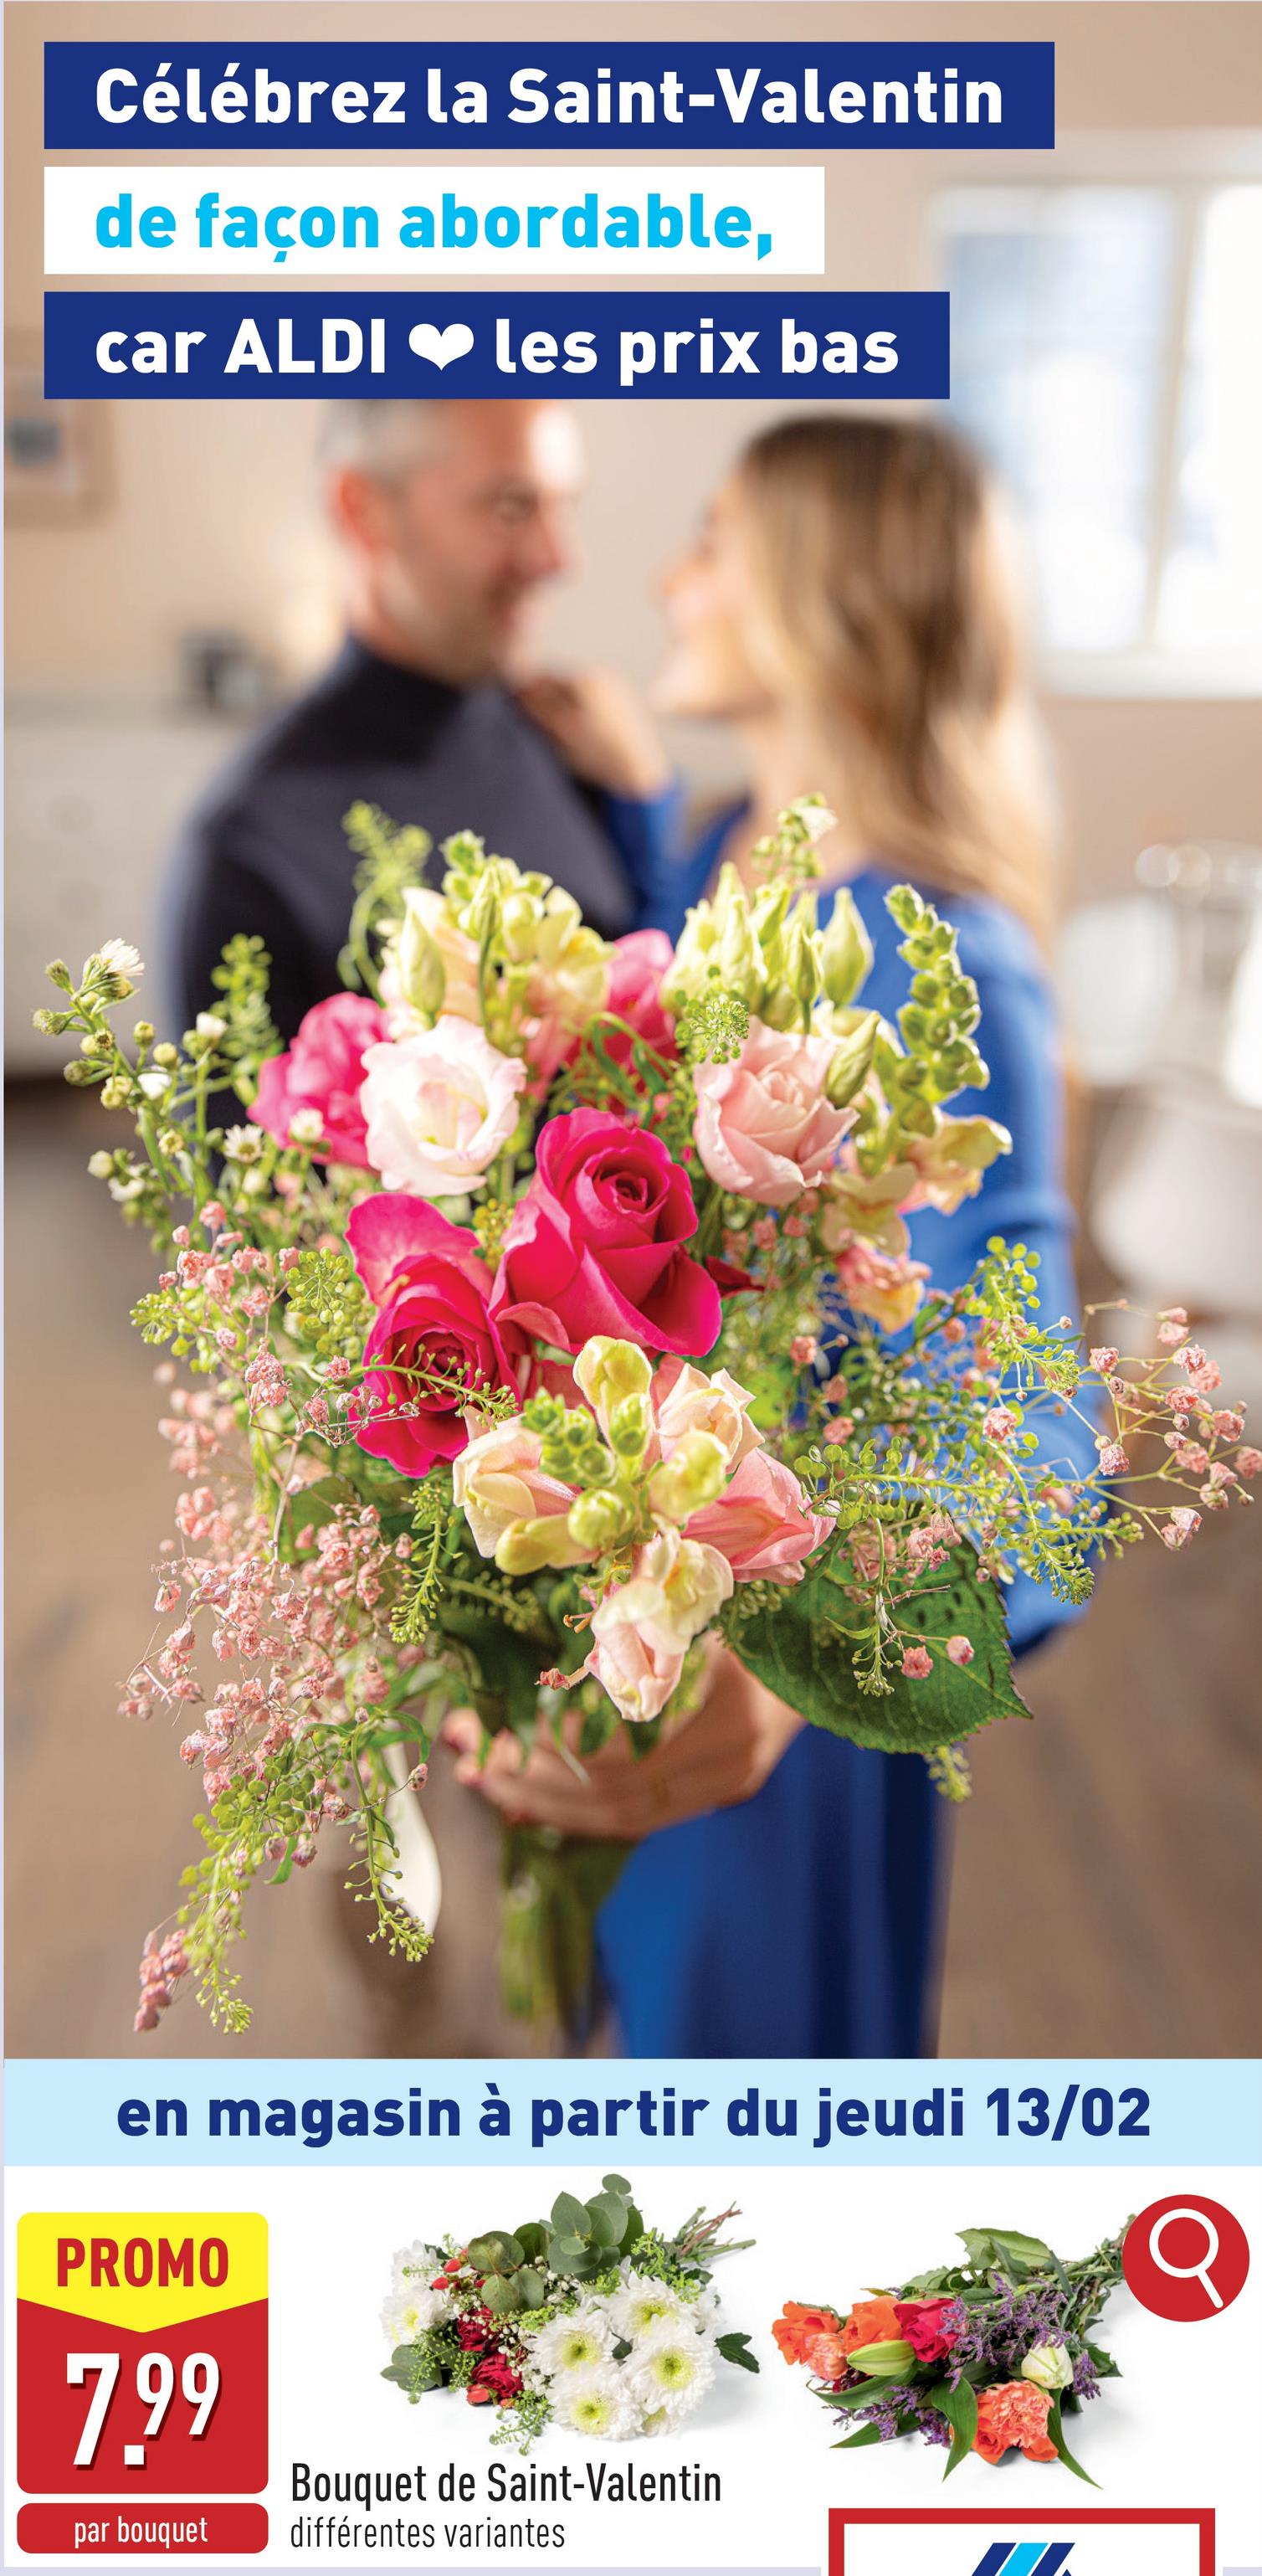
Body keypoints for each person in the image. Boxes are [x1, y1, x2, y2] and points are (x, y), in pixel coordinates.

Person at [447, 414, 1100, 2058]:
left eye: (713, 541)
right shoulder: (739, 841)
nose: (667, 578)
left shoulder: (938, 951)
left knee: (744, 2145)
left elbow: (1032, 1433)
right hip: (636, 1614)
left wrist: (810, 1665)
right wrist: (649, 790)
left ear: (827, 598)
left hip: (764, 1704)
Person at [162, 398, 672, 1039]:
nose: (558, 558)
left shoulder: (574, 743)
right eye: (511, 507)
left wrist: (648, 800)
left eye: (563, 506)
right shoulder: (252, 849)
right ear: (363, 508)